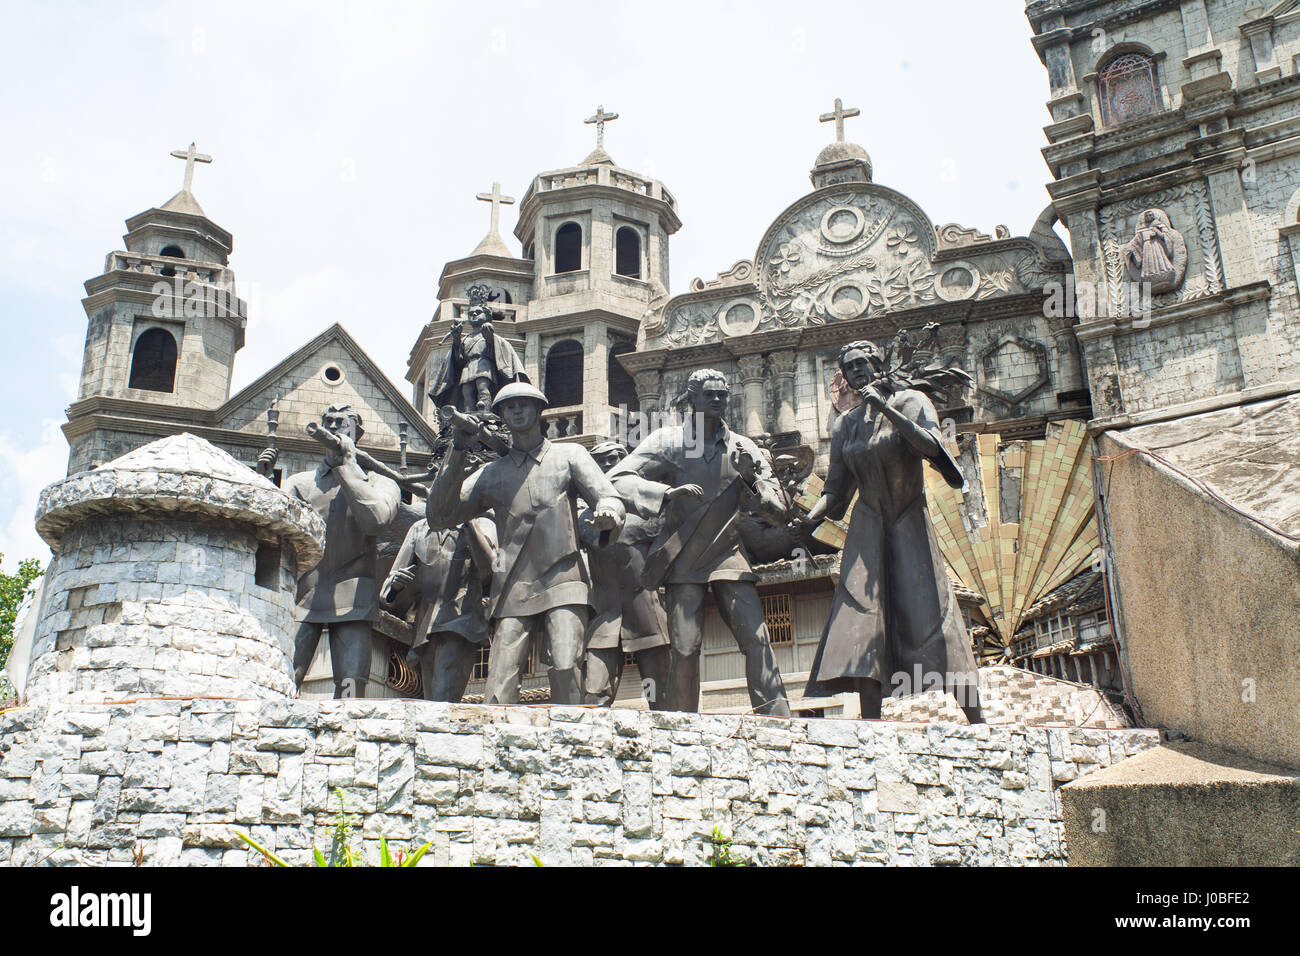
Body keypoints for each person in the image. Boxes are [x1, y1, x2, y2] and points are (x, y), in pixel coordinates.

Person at [800, 340, 984, 723]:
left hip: (907, 519)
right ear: (844, 377)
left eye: (864, 363)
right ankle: (871, 723)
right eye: (850, 367)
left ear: (879, 364)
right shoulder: (845, 425)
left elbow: (931, 447)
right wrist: (808, 519)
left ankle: (976, 717)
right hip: (868, 525)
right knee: (861, 616)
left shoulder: (911, 402)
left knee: (930, 612)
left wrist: (884, 407)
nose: (858, 371)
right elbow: (835, 491)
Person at [426, 382, 625, 705]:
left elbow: (608, 495)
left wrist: (609, 511)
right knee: (500, 680)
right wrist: (459, 449)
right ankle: (494, 747)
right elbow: (440, 514)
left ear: (539, 410)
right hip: (513, 585)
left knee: (564, 664)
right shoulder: (492, 473)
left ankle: (571, 738)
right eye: (509, 406)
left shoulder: (569, 455)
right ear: (501, 415)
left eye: (524, 404)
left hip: (565, 578)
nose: (517, 410)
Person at [609, 369, 791, 716]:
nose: (718, 400)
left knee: (756, 638)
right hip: (683, 557)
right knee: (685, 647)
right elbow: (616, 478)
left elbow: (779, 512)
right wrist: (664, 494)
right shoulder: (669, 442)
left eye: (723, 395)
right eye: (709, 395)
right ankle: (682, 723)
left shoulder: (744, 446)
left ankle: (776, 715)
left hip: (729, 555)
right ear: (691, 399)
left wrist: (751, 481)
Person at [280, 404, 401, 698]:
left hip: (353, 600)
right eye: (329, 422)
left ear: (356, 433)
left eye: (342, 423)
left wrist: (346, 468)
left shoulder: (380, 482)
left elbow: (376, 521)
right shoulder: (298, 484)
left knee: (350, 688)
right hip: (302, 596)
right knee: (283, 678)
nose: (334, 428)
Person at [579, 440, 672, 709]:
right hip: (604, 616)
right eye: (603, 461)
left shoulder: (649, 513)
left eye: (616, 459)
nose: (610, 466)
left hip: (647, 616)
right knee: (595, 696)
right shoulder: (582, 519)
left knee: (661, 699)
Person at [382, 511, 496, 703]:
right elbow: (388, 589)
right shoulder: (419, 528)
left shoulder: (483, 524)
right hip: (425, 628)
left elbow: (493, 569)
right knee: (432, 699)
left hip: (461, 622)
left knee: (443, 695)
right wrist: (395, 586)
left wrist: (468, 523)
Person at [428, 284, 528, 413]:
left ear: (487, 315)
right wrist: (457, 340)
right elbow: (459, 359)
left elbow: (496, 352)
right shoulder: (466, 338)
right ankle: (468, 414)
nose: (474, 314)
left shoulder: (489, 334)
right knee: (466, 393)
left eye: (478, 312)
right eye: (471, 313)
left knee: (483, 389)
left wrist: (490, 338)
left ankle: (485, 411)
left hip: (484, 365)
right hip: (467, 367)